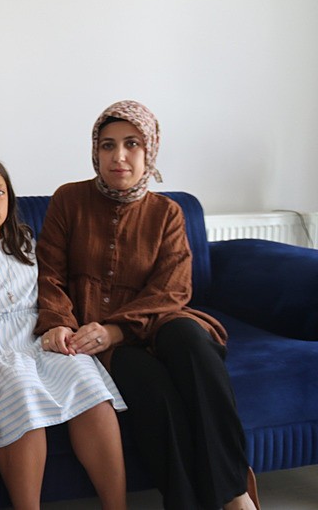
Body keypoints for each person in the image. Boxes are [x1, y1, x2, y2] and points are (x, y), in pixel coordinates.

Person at [34, 100, 260, 510]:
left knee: (193, 345)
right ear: (95, 151)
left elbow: (172, 289)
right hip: (97, 334)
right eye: (108, 145)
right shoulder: (69, 200)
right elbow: (49, 272)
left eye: (132, 144)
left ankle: (234, 494)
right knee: (154, 392)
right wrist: (59, 323)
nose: (118, 156)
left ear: (150, 150)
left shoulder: (167, 212)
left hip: (158, 320)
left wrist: (117, 328)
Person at [0, 156, 127, 510]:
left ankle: (117, 505)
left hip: (38, 332)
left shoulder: (25, 242)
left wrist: (60, 324)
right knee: (21, 393)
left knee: (87, 381)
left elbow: (53, 290)